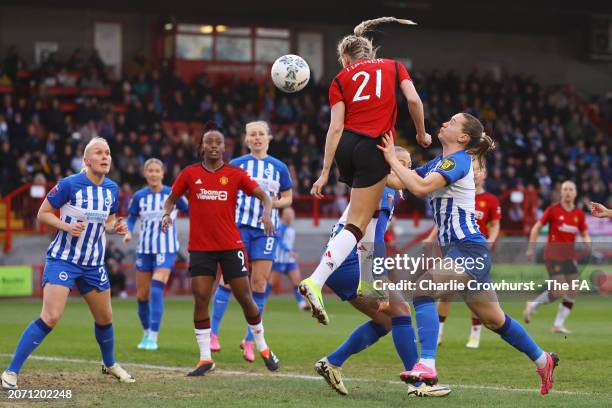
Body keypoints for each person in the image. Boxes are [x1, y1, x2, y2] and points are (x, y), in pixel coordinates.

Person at [377, 113, 559, 396]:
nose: (445, 123)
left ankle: (426, 363)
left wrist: (390, 158)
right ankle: (542, 359)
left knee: (423, 289)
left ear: (463, 137)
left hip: (468, 249)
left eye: (452, 122)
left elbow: (421, 187)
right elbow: (401, 182)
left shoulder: (458, 161)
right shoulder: (439, 162)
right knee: (494, 320)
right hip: (463, 250)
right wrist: (363, 168)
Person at [299, 16, 431, 325]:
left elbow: (335, 128)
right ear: (369, 53)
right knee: (357, 223)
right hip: (373, 145)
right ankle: (315, 281)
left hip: (347, 147)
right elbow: (412, 99)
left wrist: (325, 170)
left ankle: (368, 282)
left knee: (369, 213)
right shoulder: (394, 67)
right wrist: (422, 134)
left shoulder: (340, 79)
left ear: (345, 59)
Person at [315, 146, 450, 398]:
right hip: (351, 261)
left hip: (343, 261)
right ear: (387, 164)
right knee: (400, 310)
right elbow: (375, 237)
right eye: (400, 162)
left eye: (408, 164)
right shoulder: (384, 187)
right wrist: (376, 277)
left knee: (387, 320)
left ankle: (332, 363)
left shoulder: (383, 186)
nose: (405, 168)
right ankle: (417, 383)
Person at [1, 137, 135, 390]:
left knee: (105, 318)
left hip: (93, 264)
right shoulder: (69, 185)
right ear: (86, 160)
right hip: (64, 259)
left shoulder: (112, 189)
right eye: (99, 152)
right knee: (51, 317)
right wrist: (66, 226)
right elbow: (42, 214)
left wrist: (115, 227)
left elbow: (107, 222)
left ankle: (109, 364)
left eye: (107, 152)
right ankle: (11, 371)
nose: (105, 156)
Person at [161, 122, 279, 376]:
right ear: (202, 147)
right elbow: (170, 199)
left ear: (224, 148)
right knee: (201, 298)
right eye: (209, 142)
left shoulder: (235, 174)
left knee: (245, 297)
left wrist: (268, 213)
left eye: (218, 143)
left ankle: (263, 347)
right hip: (201, 247)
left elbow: (265, 196)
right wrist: (166, 215)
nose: (214, 146)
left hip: (230, 246)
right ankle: (205, 359)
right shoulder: (190, 174)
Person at [210, 120, 292, 361]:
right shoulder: (236, 165)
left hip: (266, 231)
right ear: (246, 139)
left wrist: (275, 203)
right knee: (227, 279)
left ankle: (249, 339)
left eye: (261, 134)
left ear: (268, 138)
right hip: (238, 228)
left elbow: (288, 197)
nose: (257, 138)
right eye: (252, 134)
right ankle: (213, 334)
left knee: (259, 283)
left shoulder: (279, 167)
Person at [431, 159, 501, 348]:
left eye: (480, 170)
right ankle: (438, 332)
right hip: (453, 247)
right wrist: (431, 237)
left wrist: (490, 243)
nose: (476, 174)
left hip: (475, 251)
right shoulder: (459, 192)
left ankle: (474, 334)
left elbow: (495, 225)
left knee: (475, 295)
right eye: (474, 170)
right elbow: (442, 219)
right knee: (445, 293)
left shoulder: (491, 200)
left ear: (484, 174)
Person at [123, 158, 189, 351]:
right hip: (144, 250)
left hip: (166, 248)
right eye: (149, 170)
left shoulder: (173, 193)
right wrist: (127, 232)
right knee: (142, 295)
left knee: (156, 289)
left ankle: (153, 336)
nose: (153, 174)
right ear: (145, 173)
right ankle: (146, 332)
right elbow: (131, 218)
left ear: (162, 173)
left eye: (156, 171)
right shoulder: (139, 197)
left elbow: (190, 209)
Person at [524, 181, 591, 333]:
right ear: (561, 193)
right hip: (553, 255)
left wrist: (587, 243)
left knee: (573, 290)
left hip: (569, 257)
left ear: (575, 193)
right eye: (565, 189)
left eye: (571, 189)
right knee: (560, 290)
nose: (568, 192)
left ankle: (558, 325)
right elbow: (536, 228)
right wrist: (530, 249)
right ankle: (533, 304)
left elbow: (584, 232)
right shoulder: (553, 210)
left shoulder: (579, 214)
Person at [268, 207, 308, 311]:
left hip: (290, 261)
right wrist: (289, 251)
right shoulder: (281, 227)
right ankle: (260, 303)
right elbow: (280, 241)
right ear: (283, 216)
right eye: (288, 214)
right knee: (271, 283)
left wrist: (293, 252)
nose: (290, 216)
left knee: (297, 281)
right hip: (280, 259)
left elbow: (289, 243)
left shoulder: (291, 229)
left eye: (291, 214)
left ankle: (302, 304)